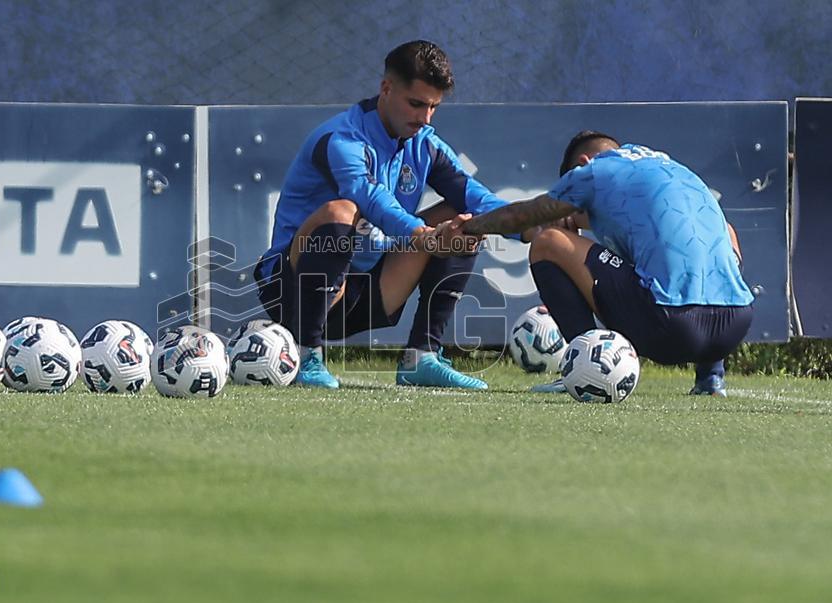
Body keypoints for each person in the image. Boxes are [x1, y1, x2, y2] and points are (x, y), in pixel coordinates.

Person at [254, 40, 510, 389]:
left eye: (434, 107)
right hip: (291, 291)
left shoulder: (425, 143)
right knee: (343, 212)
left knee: (465, 220)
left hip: (365, 291)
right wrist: (423, 235)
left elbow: (476, 195)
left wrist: (530, 225)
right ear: (386, 88)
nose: (425, 118)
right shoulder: (341, 138)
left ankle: (421, 357)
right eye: (416, 104)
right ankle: (304, 353)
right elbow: (370, 198)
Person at [461, 131, 754, 396]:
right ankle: (711, 378)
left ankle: (582, 370)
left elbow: (520, 218)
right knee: (719, 235)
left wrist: (468, 228)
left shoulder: (591, 172)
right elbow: (726, 233)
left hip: (670, 327)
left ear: (583, 163)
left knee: (549, 241)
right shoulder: (670, 167)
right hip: (735, 325)